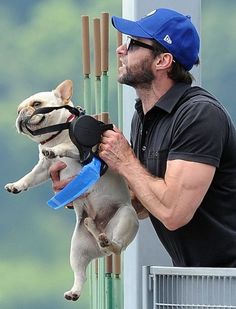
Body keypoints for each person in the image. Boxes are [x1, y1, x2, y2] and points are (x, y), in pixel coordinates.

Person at [51, 8, 236, 267]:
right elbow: (146, 202)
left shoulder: (199, 115)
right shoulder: (144, 116)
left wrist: (125, 160)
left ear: (163, 61)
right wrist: (86, 191)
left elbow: (173, 212)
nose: (120, 50)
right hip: (201, 279)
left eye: (133, 44)